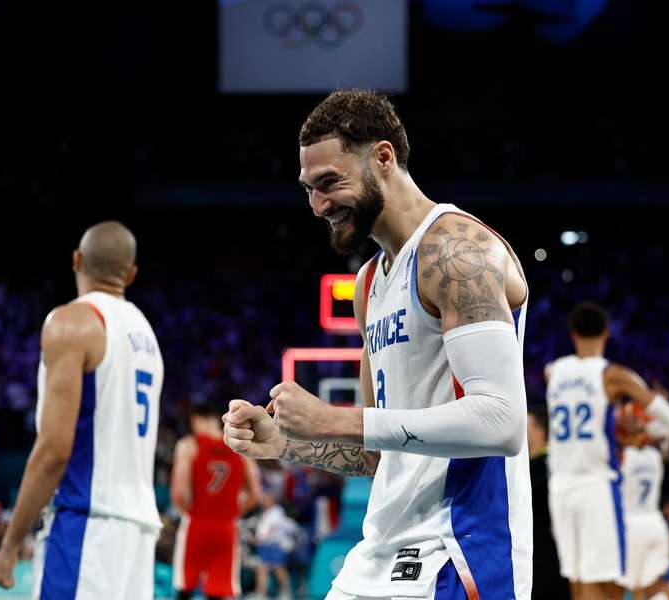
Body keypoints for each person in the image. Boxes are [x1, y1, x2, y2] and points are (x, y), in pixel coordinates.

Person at [222, 89, 532, 599]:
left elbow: (503, 422)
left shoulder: (456, 251)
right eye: (308, 189)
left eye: (329, 183)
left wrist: (332, 418)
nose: (318, 205)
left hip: (457, 554)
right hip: (378, 550)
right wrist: (285, 444)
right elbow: (376, 455)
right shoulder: (369, 285)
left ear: (383, 157)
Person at [0, 221, 164, 599]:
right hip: (138, 535)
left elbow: (54, 451)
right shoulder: (145, 334)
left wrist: (10, 545)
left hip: (86, 526)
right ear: (131, 274)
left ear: (76, 260)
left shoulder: (71, 323)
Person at [544, 302, 669, 600]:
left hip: (559, 488)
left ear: (572, 335)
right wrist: (645, 423)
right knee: (606, 585)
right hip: (595, 485)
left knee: (578, 578)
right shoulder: (612, 375)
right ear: (607, 334)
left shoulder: (554, 371)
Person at [171, 402, 262, 600]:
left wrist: (191, 512)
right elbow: (255, 493)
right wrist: (232, 513)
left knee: (184, 586)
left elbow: (179, 493)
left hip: (196, 522)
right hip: (226, 526)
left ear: (195, 420)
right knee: (219, 590)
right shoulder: (239, 447)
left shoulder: (189, 445)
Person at [615, 393, 669, 600]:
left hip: (629, 524)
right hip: (654, 523)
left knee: (632, 589)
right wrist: (657, 404)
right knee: (659, 588)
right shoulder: (656, 455)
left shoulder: (621, 455)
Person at [527, 408, 570, 600]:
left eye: (526, 427)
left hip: (545, 553)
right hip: (546, 552)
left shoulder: (543, 467)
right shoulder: (551, 464)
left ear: (541, 432)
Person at [253, 494, 300, 599]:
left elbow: (266, 531)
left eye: (266, 499)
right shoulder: (266, 513)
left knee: (279, 569)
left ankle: (286, 592)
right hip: (265, 546)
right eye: (264, 499)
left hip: (276, 546)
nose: (263, 501)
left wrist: (258, 539)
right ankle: (261, 593)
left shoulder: (277, 513)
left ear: (272, 501)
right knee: (262, 569)